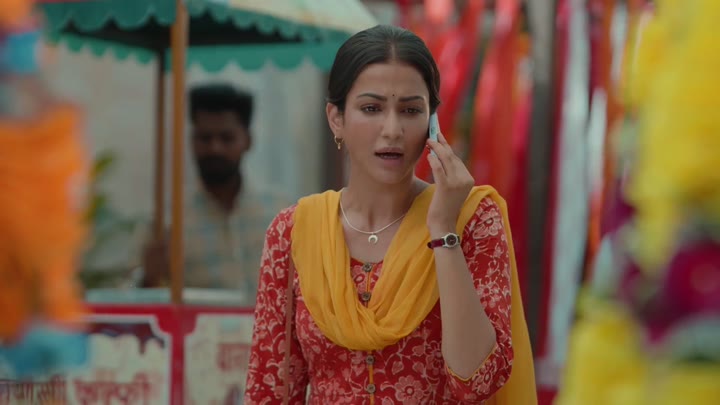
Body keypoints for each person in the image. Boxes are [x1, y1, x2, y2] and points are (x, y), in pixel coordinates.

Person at [244, 25, 537, 404]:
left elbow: (478, 379)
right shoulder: (294, 231)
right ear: (336, 118)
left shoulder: (472, 219)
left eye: (411, 110)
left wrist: (443, 230)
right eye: (372, 108)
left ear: (432, 122)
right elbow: (270, 391)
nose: (393, 129)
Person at [142, 84, 288, 306]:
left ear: (248, 141)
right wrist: (147, 278)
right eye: (205, 138)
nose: (215, 149)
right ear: (191, 141)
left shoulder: (281, 213)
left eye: (226, 138)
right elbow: (133, 295)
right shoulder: (168, 219)